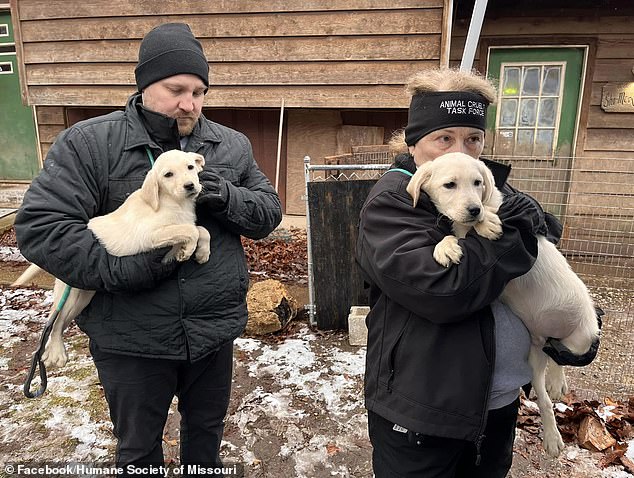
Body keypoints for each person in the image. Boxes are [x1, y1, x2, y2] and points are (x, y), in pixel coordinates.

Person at [14, 23, 282, 474]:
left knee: (206, 441)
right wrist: (119, 272)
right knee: (138, 451)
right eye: (176, 89)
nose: (189, 104)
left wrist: (223, 194)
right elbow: (43, 227)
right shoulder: (90, 143)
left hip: (212, 332)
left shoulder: (229, 146)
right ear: (144, 85)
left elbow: (269, 213)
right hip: (131, 338)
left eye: (199, 91)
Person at [355, 68, 563, 477]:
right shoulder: (394, 203)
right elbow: (445, 291)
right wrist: (516, 230)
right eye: (444, 138)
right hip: (423, 415)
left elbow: (545, 259)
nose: (462, 151)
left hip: (497, 407)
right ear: (415, 143)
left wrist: (567, 329)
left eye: (474, 139)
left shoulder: (476, 185)